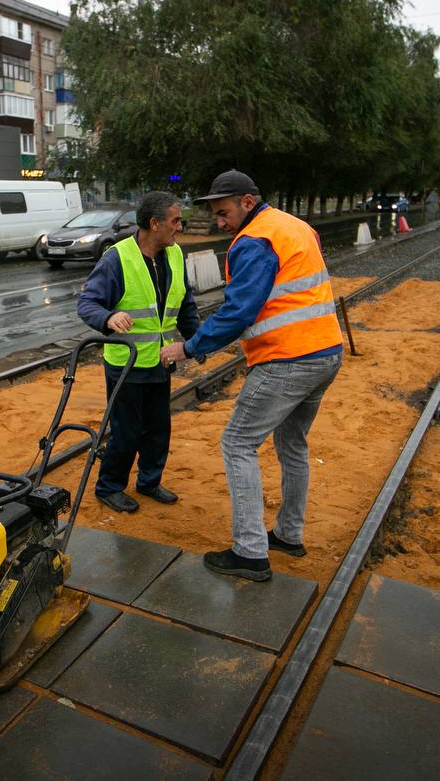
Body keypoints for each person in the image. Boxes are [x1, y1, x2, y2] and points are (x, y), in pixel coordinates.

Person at [160, 170, 342, 581]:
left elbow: (240, 310)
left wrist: (188, 347)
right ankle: (288, 535)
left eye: (223, 213)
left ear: (246, 201)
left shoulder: (255, 240)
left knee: (238, 443)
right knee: (292, 443)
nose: (220, 223)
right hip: (326, 351)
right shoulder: (295, 226)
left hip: (288, 359)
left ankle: (250, 551)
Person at [78, 191, 201, 513]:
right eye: (175, 220)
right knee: (126, 431)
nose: (180, 226)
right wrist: (108, 317)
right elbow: (87, 303)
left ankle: (149, 482)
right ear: (154, 223)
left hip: (160, 361)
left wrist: (197, 343)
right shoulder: (117, 258)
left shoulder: (174, 256)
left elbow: (184, 304)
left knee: (158, 429)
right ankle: (109, 487)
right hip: (127, 365)